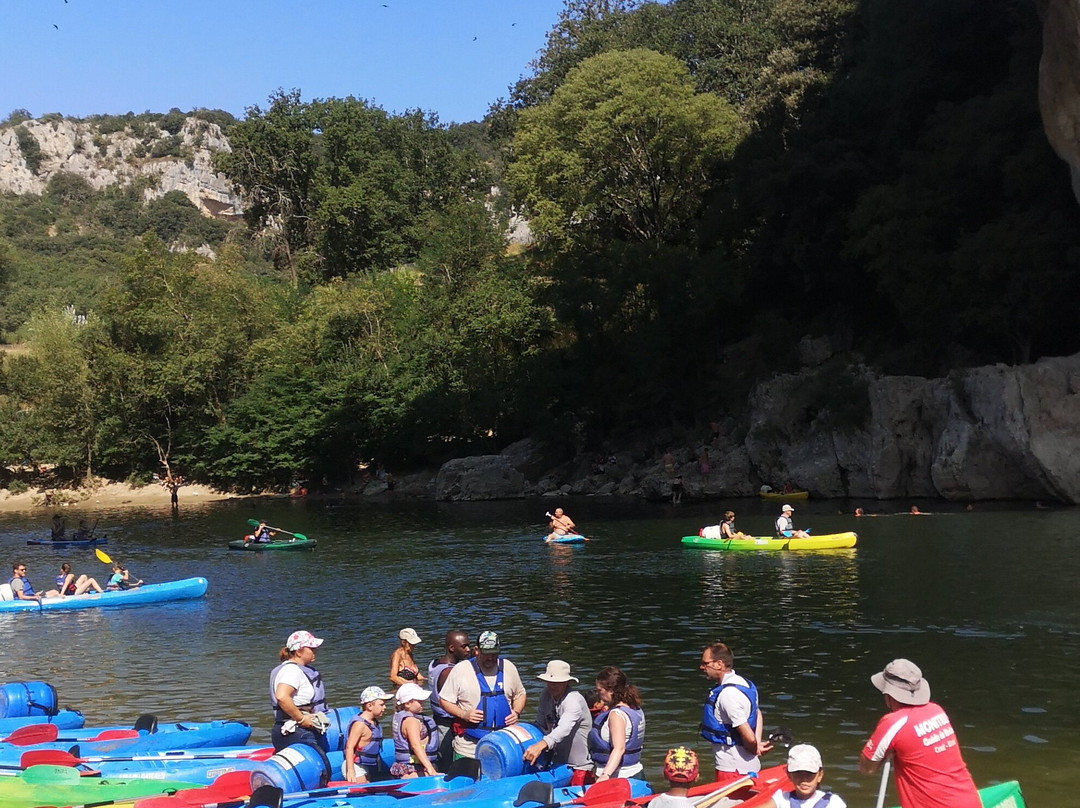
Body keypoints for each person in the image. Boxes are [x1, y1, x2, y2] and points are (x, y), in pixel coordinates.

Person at [859, 659, 980, 808]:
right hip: (970, 800)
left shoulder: (893, 722)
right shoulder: (937, 710)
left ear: (888, 696)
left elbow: (866, 768)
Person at [437, 630, 527, 759]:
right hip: (468, 747)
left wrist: (516, 712)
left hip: (504, 745)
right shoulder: (461, 669)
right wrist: (464, 714)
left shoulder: (508, 667)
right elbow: (444, 700)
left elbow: (520, 694)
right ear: (477, 650)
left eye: (494, 653)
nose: (490, 657)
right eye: (486, 653)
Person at [700, 642, 771, 788]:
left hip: (733, 771)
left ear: (719, 664)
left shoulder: (727, 695)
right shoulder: (745, 684)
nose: (702, 667)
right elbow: (757, 712)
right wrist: (757, 744)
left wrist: (754, 747)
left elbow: (747, 735)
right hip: (749, 768)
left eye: (705, 663)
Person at [523, 660, 593, 785]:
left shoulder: (573, 700)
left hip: (580, 767)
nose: (552, 685)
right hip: (557, 764)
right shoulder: (545, 695)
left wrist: (541, 745)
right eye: (549, 682)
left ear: (566, 682)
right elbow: (539, 724)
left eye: (557, 682)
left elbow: (564, 728)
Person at [269, 630, 330, 752]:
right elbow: (282, 696)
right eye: (311, 648)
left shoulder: (292, 669)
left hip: (291, 731)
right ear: (298, 652)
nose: (315, 651)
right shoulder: (292, 671)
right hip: (297, 732)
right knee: (320, 769)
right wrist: (302, 719)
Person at [587, 666, 645, 781]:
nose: (598, 694)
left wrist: (605, 775)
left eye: (600, 690)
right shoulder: (635, 708)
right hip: (635, 773)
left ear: (611, 690)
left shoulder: (616, 715)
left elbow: (619, 748)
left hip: (618, 777)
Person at [428, 629, 472, 768]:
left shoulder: (434, 663)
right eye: (463, 646)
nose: (468, 649)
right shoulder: (450, 672)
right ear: (451, 648)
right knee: (449, 763)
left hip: (437, 719)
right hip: (446, 724)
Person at [773, 744, 846, 808]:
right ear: (789, 775)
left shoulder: (833, 803)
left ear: (820, 775)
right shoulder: (781, 799)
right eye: (798, 773)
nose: (804, 779)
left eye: (809, 774)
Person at [342, 685, 390, 783]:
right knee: (364, 792)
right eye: (381, 704)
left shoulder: (373, 722)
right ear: (369, 706)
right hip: (355, 767)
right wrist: (350, 770)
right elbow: (349, 747)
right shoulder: (360, 724)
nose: (384, 707)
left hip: (365, 766)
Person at [391, 682, 439, 778]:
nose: (422, 703)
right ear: (408, 703)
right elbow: (416, 745)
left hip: (408, 766)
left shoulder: (402, 716)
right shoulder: (411, 721)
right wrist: (431, 769)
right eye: (419, 701)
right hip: (412, 769)